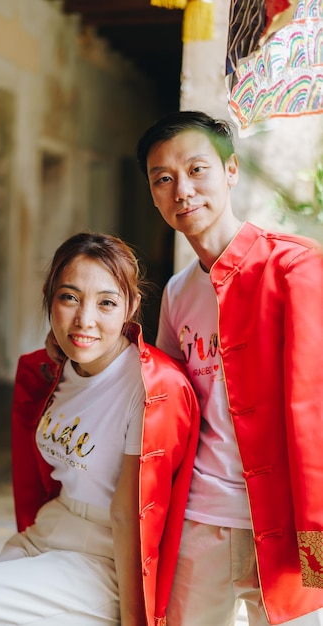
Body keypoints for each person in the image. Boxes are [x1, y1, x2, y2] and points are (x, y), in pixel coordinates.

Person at [0, 231, 199, 626]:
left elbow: (130, 518)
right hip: (46, 532)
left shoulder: (150, 388)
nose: (84, 319)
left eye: (106, 303)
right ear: (50, 297)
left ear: (131, 307)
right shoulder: (55, 371)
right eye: (69, 298)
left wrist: (137, 621)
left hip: (102, 557)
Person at [135, 110, 323, 626]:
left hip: (284, 522)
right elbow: (171, 406)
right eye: (164, 179)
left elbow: (315, 413)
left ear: (231, 171)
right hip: (200, 518)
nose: (182, 191)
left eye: (197, 170)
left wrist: (319, 544)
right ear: (153, 194)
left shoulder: (295, 269)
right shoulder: (176, 292)